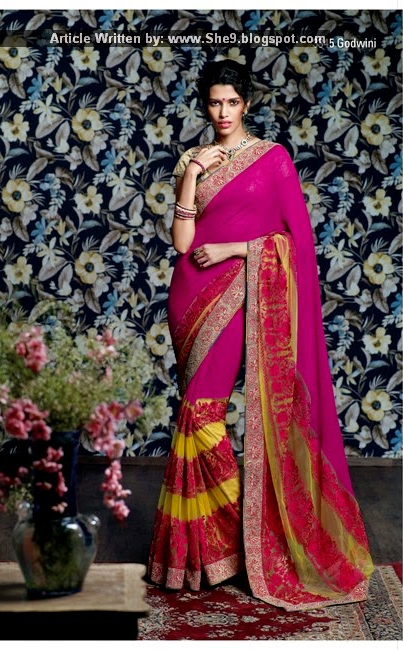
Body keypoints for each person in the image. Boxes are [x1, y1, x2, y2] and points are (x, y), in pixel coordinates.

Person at [147, 58, 374, 611]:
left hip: (241, 295)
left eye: (231, 102)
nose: (222, 112)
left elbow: (295, 243)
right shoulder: (194, 159)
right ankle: (209, 553)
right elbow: (182, 243)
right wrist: (192, 174)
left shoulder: (273, 159)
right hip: (190, 296)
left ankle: (242, 538)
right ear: (205, 105)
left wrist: (234, 248)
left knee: (203, 416)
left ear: (245, 103)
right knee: (194, 415)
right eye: (214, 102)